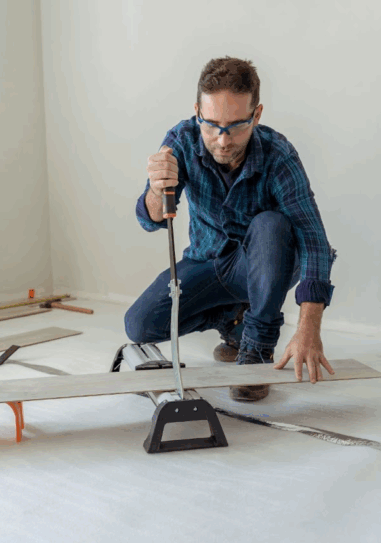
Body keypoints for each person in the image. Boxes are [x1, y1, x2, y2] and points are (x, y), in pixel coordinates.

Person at [125, 57, 337, 401]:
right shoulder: (180, 141)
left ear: (257, 114)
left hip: (264, 263)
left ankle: (256, 346)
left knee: (271, 225)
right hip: (207, 261)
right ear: (197, 111)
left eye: (236, 126)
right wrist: (154, 187)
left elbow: (314, 242)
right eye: (211, 125)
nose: (223, 140)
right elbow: (152, 220)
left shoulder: (278, 154)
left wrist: (308, 329)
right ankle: (233, 322)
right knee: (140, 325)